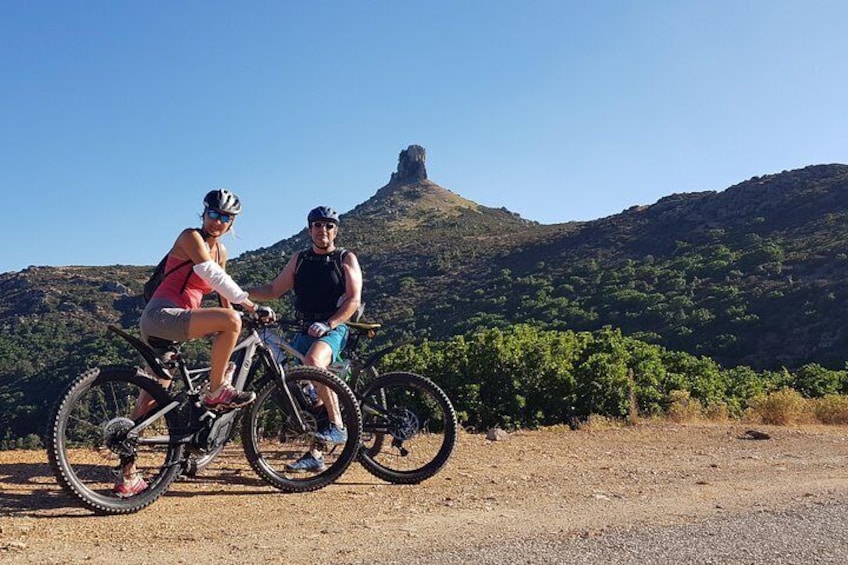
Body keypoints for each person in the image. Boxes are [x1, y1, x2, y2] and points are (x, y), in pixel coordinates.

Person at [116, 189, 259, 497]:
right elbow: (209, 273)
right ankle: (217, 390)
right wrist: (248, 307)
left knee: (152, 399)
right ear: (203, 213)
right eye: (213, 214)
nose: (218, 222)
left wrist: (247, 314)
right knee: (231, 322)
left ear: (232, 223)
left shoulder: (222, 253)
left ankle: (127, 474)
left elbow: (224, 298)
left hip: (173, 323)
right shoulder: (190, 237)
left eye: (226, 218)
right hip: (162, 315)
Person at [248, 206, 363, 472]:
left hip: (333, 327)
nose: (323, 230)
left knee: (313, 363)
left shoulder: (345, 258)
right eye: (317, 225)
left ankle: (337, 426)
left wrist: (329, 323)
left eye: (328, 225)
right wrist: (240, 293)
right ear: (309, 229)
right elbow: (274, 289)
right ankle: (316, 455)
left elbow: (354, 300)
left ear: (336, 230)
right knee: (301, 393)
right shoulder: (300, 259)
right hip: (303, 329)